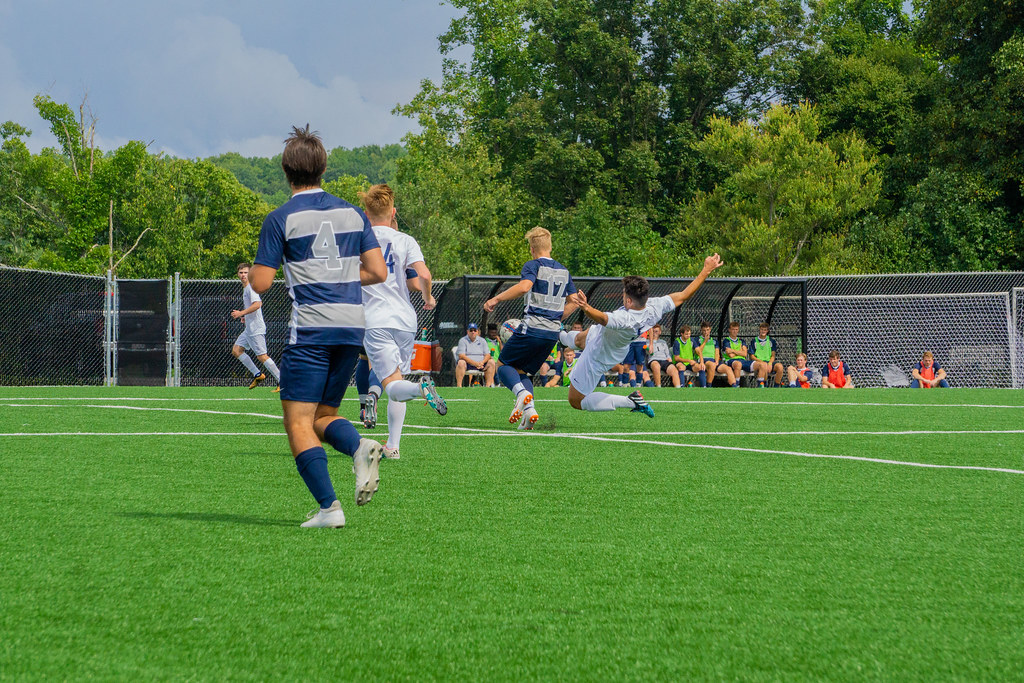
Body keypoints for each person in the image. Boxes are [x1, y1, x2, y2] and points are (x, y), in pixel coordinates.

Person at [247, 124, 388, 528]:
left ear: (287, 172)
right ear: (323, 169)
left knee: (297, 421)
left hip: (311, 331)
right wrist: (339, 276)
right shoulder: (353, 212)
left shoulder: (280, 218)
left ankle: (330, 508)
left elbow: (260, 283)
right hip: (351, 329)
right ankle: (359, 447)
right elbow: (376, 271)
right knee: (323, 417)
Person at [559, 254, 724, 414]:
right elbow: (684, 295)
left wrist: (585, 307)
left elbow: (602, 318)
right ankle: (558, 331)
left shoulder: (625, 318)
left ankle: (631, 401)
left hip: (602, 352)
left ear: (629, 301)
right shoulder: (654, 307)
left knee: (576, 401)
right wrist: (706, 270)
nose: (623, 295)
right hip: (611, 341)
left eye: (624, 294)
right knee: (580, 339)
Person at [358, 184, 447, 460]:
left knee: (393, 386)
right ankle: (393, 446)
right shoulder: (405, 240)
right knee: (397, 380)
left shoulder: (358, 238)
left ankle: (421, 388)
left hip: (375, 319)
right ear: (393, 212)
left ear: (365, 213)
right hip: (406, 320)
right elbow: (424, 275)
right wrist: (428, 297)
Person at [483, 227, 577, 429]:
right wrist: (555, 318)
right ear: (550, 246)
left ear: (532, 249)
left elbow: (525, 286)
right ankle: (529, 412)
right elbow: (575, 301)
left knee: (502, 366)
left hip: (532, 328)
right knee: (521, 371)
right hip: (552, 334)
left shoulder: (533, 265)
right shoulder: (564, 270)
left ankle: (521, 394)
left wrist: (496, 298)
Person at [230, 263, 281, 391]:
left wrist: (241, 313)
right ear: (238, 274)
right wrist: (245, 316)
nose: (243, 275)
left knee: (262, 356)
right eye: (241, 272)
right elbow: (252, 307)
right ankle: (258, 375)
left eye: (246, 273)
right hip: (249, 329)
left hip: (256, 329)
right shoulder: (246, 288)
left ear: (250, 274)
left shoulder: (250, 288)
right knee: (236, 350)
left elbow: (258, 304)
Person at [695, 321, 735, 387]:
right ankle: (709, 385)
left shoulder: (714, 341)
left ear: (710, 329)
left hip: (714, 361)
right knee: (712, 365)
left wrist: (716, 361)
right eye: (704, 330)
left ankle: (734, 386)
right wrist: (705, 341)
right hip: (703, 360)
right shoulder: (697, 339)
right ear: (701, 330)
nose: (706, 332)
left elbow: (717, 352)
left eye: (707, 330)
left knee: (728, 369)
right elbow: (698, 351)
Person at [749, 323, 784, 387]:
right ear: (759, 330)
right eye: (762, 329)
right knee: (763, 365)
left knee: (780, 367)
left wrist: (770, 363)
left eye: (765, 330)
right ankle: (764, 385)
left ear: (767, 331)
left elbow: (773, 355)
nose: (763, 331)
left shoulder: (771, 341)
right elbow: (752, 356)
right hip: (759, 362)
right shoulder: (754, 341)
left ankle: (776, 386)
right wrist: (761, 362)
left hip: (769, 361)